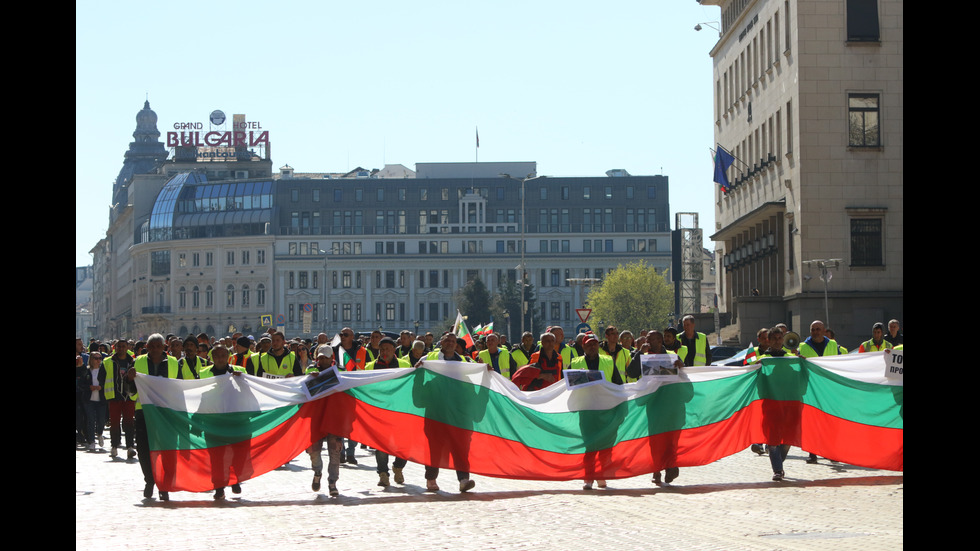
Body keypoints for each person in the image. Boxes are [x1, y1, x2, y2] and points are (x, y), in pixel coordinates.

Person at [125, 333, 184, 501]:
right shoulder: (138, 362)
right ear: (147, 348)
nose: (156, 349)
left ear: (164, 347)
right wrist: (129, 379)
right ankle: (149, 481)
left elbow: (179, 387)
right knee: (144, 449)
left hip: (166, 413)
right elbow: (131, 391)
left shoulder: (174, 363)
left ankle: (164, 485)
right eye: (152, 346)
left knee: (167, 449)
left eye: (159, 346)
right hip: (144, 411)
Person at [418, 332, 476, 492]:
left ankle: (464, 479)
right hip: (436, 412)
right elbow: (418, 375)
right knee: (435, 448)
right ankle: (431, 479)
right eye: (447, 340)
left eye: (453, 341)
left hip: (459, 413)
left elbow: (472, 385)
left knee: (461, 447)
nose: (451, 343)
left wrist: (485, 370)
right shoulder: (429, 359)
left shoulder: (465, 362)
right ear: (441, 343)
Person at [626, 330, 685, 485]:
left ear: (660, 341)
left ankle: (670, 466)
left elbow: (683, 375)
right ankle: (656, 470)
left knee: (671, 438)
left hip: (671, 403)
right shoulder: (643, 356)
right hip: (654, 404)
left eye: (653, 339)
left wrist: (682, 366)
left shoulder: (672, 356)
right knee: (655, 439)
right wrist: (639, 353)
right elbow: (631, 373)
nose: (650, 342)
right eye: (648, 339)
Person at [568, 333, 622, 490]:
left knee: (606, 446)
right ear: (583, 346)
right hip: (586, 411)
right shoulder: (575, 363)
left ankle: (601, 475)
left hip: (606, 410)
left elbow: (618, 384)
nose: (592, 347)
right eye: (589, 344)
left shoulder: (608, 361)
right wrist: (578, 376)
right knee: (590, 446)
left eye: (595, 344)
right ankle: (588, 478)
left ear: (598, 345)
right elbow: (566, 384)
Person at [365, 337, 412, 486]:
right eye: (382, 349)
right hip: (379, 412)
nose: (384, 352)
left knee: (405, 444)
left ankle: (398, 467)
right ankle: (383, 473)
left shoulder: (404, 365)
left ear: (394, 349)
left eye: (387, 349)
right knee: (381, 445)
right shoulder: (370, 367)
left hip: (400, 411)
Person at [797, 320, 839, 463]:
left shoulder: (833, 344)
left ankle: (831, 451)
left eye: (818, 329)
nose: (815, 332)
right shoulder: (802, 346)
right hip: (810, 389)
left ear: (823, 330)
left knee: (830, 421)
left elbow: (841, 362)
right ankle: (812, 452)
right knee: (812, 421)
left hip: (829, 389)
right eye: (813, 329)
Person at [758, 328, 796, 481]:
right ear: (769, 340)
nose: (778, 341)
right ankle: (778, 470)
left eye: (780, 338)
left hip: (787, 405)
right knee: (773, 440)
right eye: (775, 338)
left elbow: (797, 377)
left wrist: (802, 362)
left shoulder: (790, 358)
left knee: (786, 441)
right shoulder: (762, 359)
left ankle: (777, 461)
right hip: (770, 405)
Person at [306, 347, 343, 496]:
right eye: (320, 358)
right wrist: (310, 378)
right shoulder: (310, 370)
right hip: (316, 419)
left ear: (331, 358)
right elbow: (303, 390)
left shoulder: (340, 371)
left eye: (325, 358)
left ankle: (332, 482)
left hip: (334, 419)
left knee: (335, 453)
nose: (323, 361)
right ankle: (317, 472)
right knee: (314, 452)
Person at [103, 339, 136, 459]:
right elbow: (102, 378)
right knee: (115, 423)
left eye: (123, 346)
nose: (121, 348)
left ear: (127, 347)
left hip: (129, 396)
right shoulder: (108, 361)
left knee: (129, 422)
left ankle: (130, 447)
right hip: (114, 396)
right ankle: (114, 446)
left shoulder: (133, 361)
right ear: (115, 348)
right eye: (118, 346)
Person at [80, 352, 108, 452]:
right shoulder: (86, 370)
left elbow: (107, 382)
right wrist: (89, 387)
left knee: (101, 420)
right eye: (96, 358)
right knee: (90, 420)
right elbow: (81, 384)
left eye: (100, 358)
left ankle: (99, 433)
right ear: (91, 359)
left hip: (101, 399)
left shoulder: (103, 370)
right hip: (89, 399)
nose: (98, 360)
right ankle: (91, 441)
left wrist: (102, 387)